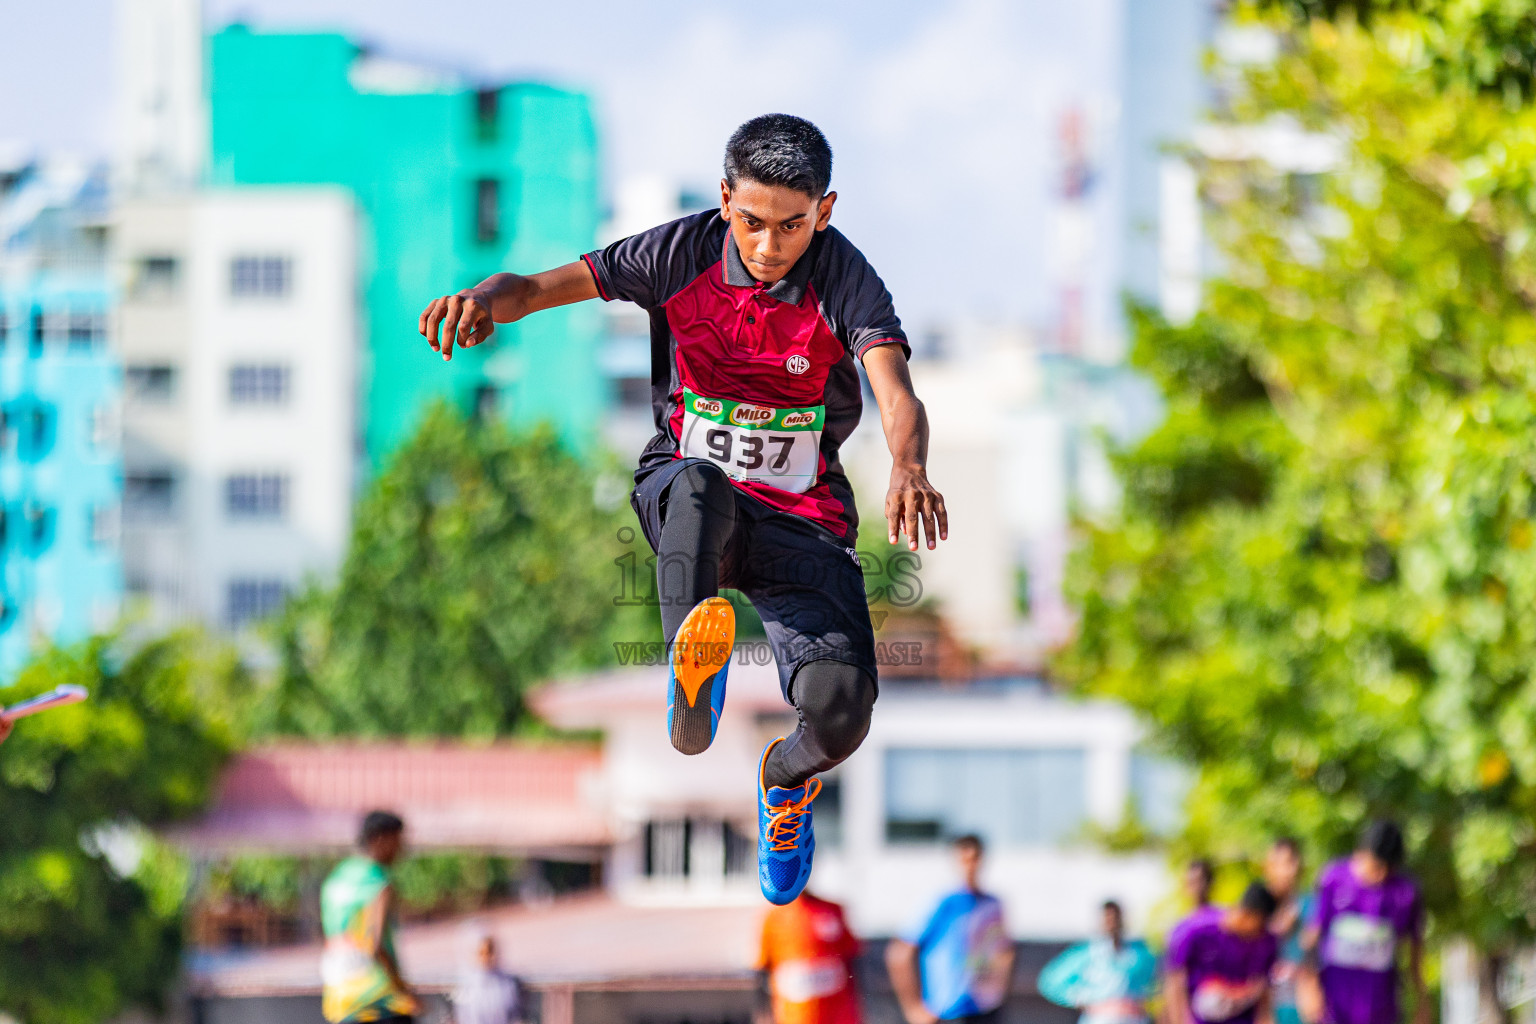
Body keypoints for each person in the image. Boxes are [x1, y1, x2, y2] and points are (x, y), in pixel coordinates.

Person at [418, 114, 946, 906]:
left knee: (842, 715)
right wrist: (482, 301)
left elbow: (894, 386)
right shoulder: (676, 252)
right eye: (753, 223)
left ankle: (782, 781)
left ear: (824, 213)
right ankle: (690, 665)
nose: (770, 247)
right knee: (699, 482)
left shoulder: (845, 278)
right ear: (726, 198)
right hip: (693, 503)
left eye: (793, 227)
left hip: (803, 521)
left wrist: (909, 463)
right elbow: (532, 288)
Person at [1303, 821, 1425, 1024]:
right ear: (1360, 853)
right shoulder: (1333, 879)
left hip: (1382, 1009)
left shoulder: (1405, 892)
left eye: (1389, 868)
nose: (1382, 874)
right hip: (1334, 1008)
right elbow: (1311, 937)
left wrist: (1422, 1000)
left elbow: (1415, 950)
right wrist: (1309, 986)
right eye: (1376, 865)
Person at [886, 835, 1013, 1024]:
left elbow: (1004, 951)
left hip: (986, 1007)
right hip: (949, 1010)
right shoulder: (943, 903)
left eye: (975, 859)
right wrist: (914, 1008)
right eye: (964, 860)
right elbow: (899, 953)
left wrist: (1000, 989)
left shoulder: (992, 904)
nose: (970, 866)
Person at [320, 811, 419, 1024]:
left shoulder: (336, 878)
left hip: (341, 1000)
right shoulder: (378, 880)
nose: (401, 850)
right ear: (381, 838)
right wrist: (404, 990)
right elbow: (375, 944)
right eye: (398, 841)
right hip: (379, 1001)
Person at [1165, 882, 1280, 1024]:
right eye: (1260, 925)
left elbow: (1264, 992)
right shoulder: (1195, 931)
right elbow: (1175, 981)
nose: (1260, 932)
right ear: (1249, 915)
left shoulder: (1267, 941)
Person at [1039, 900, 1158, 1024]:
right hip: (1100, 1018)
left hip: (1132, 1018)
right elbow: (1050, 981)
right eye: (1108, 919)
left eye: (1115, 918)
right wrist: (1082, 998)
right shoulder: (1088, 953)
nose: (1112, 924)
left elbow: (1158, 980)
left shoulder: (1138, 954)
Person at [755, 889, 862, 1024]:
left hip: (838, 1013)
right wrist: (765, 1014)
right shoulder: (774, 917)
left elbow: (852, 957)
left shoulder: (832, 910)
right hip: (795, 1014)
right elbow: (763, 968)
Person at [1264, 839, 1316, 1024]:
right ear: (1268, 868)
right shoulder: (1258, 912)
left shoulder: (1312, 906)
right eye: (1279, 864)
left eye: (1291, 862)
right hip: (1268, 1011)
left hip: (1304, 1010)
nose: (1288, 871)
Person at [452, 934, 523, 1024]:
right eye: (482, 953)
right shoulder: (467, 984)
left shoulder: (507, 983)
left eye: (489, 952)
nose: (486, 958)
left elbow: (514, 1014)